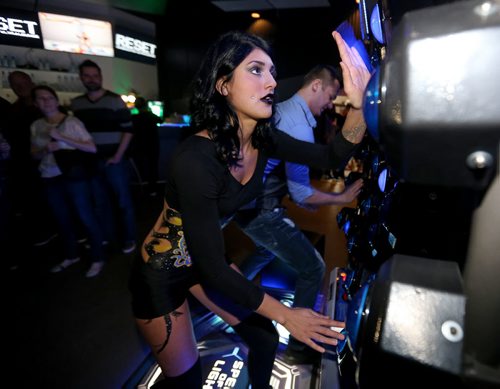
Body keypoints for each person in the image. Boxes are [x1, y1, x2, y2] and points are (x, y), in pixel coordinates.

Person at [128, 30, 370, 388]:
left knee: (264, 338)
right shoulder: (196, 159)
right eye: (256, 70)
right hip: (162, 278)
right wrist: (287, 315)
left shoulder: (263, 137)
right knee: (187, 381)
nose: (271, 81)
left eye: (273, 72)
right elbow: (213, 267)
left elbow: (333, 155)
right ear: (223, 85)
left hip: (204, 264)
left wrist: (361, 104)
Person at [232, 64, 364, 364]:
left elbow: (289, 183)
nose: (330, 104)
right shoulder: (300, 127)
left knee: (266, 252)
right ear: (316, 86)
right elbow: (301, 191)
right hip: (259, 211)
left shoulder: (280, 111)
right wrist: (340, 197)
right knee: (313, 267)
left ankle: (233, 292)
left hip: (246, 205)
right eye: (331, 95)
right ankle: (297, 348)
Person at [30, 85, 106, 277]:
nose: (46, 101)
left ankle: (98, 258)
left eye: (49, 97)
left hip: (73, 176)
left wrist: (61, 138)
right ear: (35, 103)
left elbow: (91, 148)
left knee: (85, 215)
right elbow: (33, 155)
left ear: (56, 100)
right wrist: (45, 150)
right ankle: (71, 255)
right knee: (61, 219)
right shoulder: (36, 126)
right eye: (41, 98)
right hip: (49, 176)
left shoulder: (72, 122)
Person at [71, 60, 137, 254]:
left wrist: (117, 156)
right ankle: (107, 238)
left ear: (100, 77)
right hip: (90, 161)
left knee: (123, 201)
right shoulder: (77, 104)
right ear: (81, 77)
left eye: (95, 75)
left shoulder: (115, 100)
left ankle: (129, 238)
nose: (92, 79)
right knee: (100, 203)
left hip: (114, 160)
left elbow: (128, 130)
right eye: (87, 75)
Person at [130, 97, 161, 196]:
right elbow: (161, 120)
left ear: (136, 106)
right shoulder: (150, 115)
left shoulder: (134, 117)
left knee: (141, 167)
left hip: (139, 146)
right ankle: (153, 189)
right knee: (152, 167)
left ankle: (141, 187)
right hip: (153, 145)